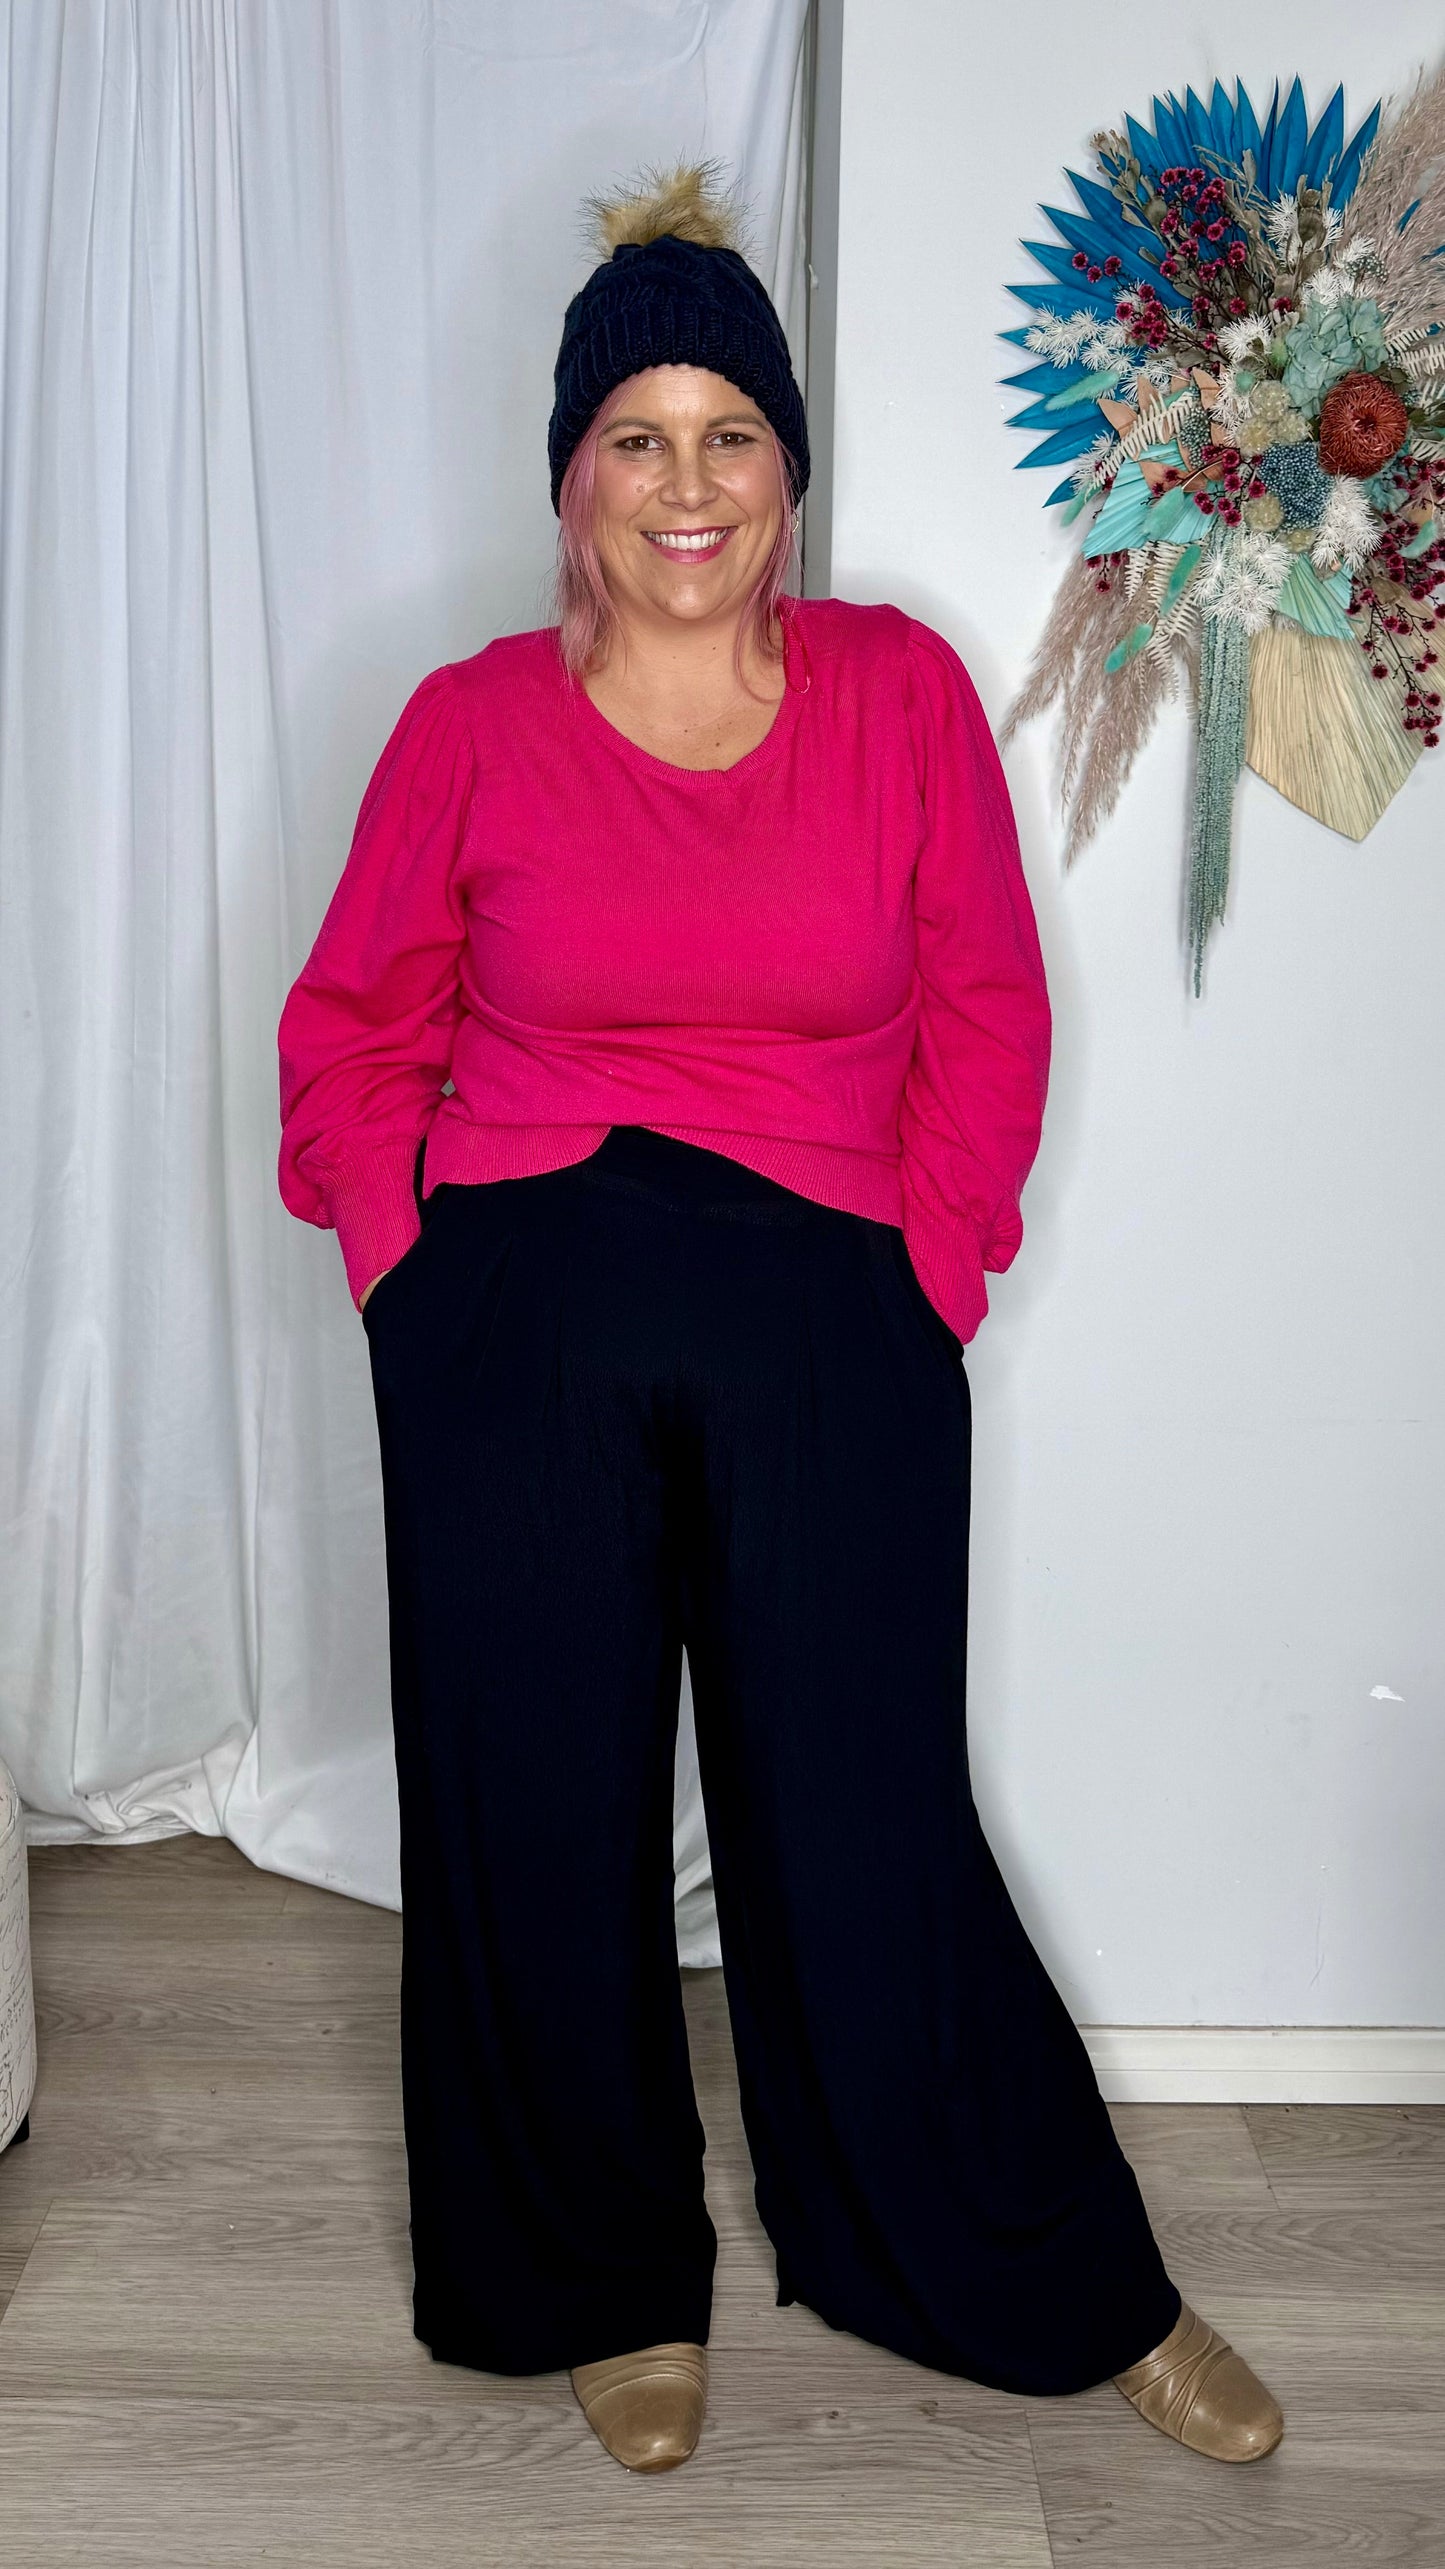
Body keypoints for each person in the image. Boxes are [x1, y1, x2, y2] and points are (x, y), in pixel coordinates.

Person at [276, 162, 1284, 2477]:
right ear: (572, 473)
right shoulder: (467, 724)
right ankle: (596, 2276)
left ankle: (1041, 2267)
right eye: (636, 435)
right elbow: (353, 1025)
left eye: (728, 431)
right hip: (519, 1303)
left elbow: (987, 1008)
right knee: (537, 1803)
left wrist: (931, 1272)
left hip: (831, 1305)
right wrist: (406, 1277)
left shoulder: (899, 693)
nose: (687, 483)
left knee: (862, 1812)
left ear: (786, 463)